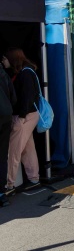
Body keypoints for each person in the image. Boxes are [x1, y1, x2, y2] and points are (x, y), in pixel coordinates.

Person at [4, 48, 40, 196]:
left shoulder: (24, 74)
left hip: (24, 116)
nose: (3, 61)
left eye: (5, 58)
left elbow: (26, 96)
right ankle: (34, 178)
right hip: (30, 115)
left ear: (12, 59)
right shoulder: (27, 71)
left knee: (14, 150)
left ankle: (8, 183)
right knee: (27, 148)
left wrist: (21, 117)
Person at [0, 56, 16, 206]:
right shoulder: (3, 74)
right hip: (5, 117)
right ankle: (1, 193)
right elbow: (13, 97)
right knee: (2, 156)